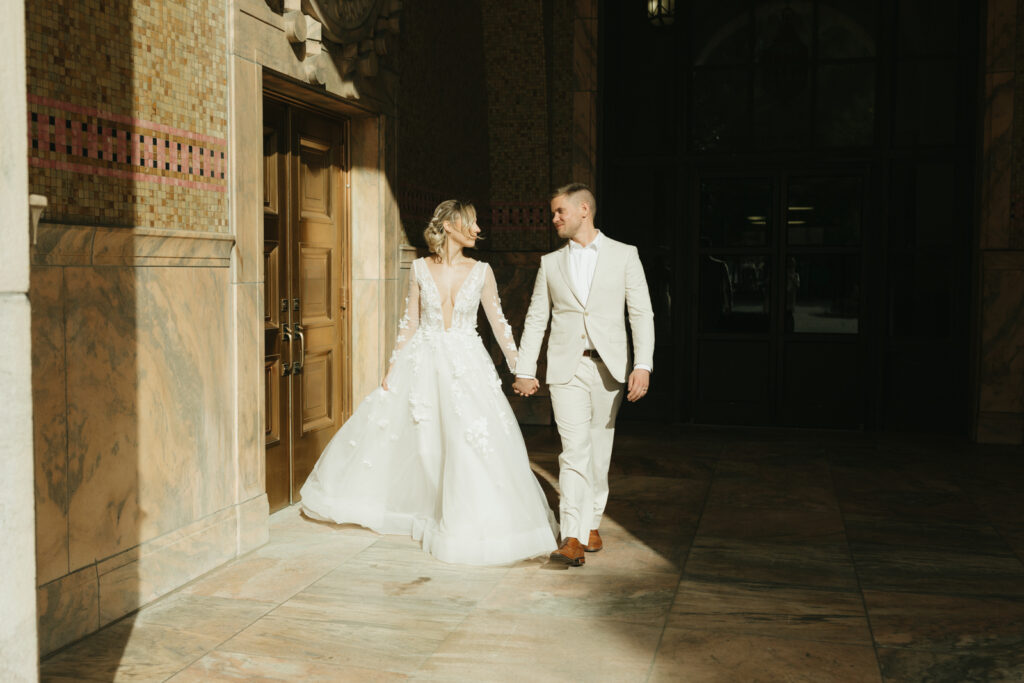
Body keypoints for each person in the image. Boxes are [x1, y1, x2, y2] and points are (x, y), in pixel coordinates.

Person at [300, 199, 558, 566]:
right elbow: (409, 322)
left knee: (470, 441)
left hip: (466, 363)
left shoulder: (482, 270)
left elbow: (499, 324)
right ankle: (424, 509)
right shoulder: (419, 268)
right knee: (424, 443)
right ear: (449, 226)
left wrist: (522, 369)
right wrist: (393, 367)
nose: (478, 229)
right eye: (471, 222)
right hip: (422, 360)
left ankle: (471, 519)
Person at [513, 183, 655, 567]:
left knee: (599, 450)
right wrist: (525, 368)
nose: (554, 218)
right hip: (566, 367)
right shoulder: (549, 263)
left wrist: (642, 364)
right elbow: (537, 318)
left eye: (560, 211)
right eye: (554, 212)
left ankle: (593, 520)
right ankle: (572, 535)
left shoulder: (625, 255)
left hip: (609, 367)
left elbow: (641, 313)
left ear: (584, 210)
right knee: (573, 450)